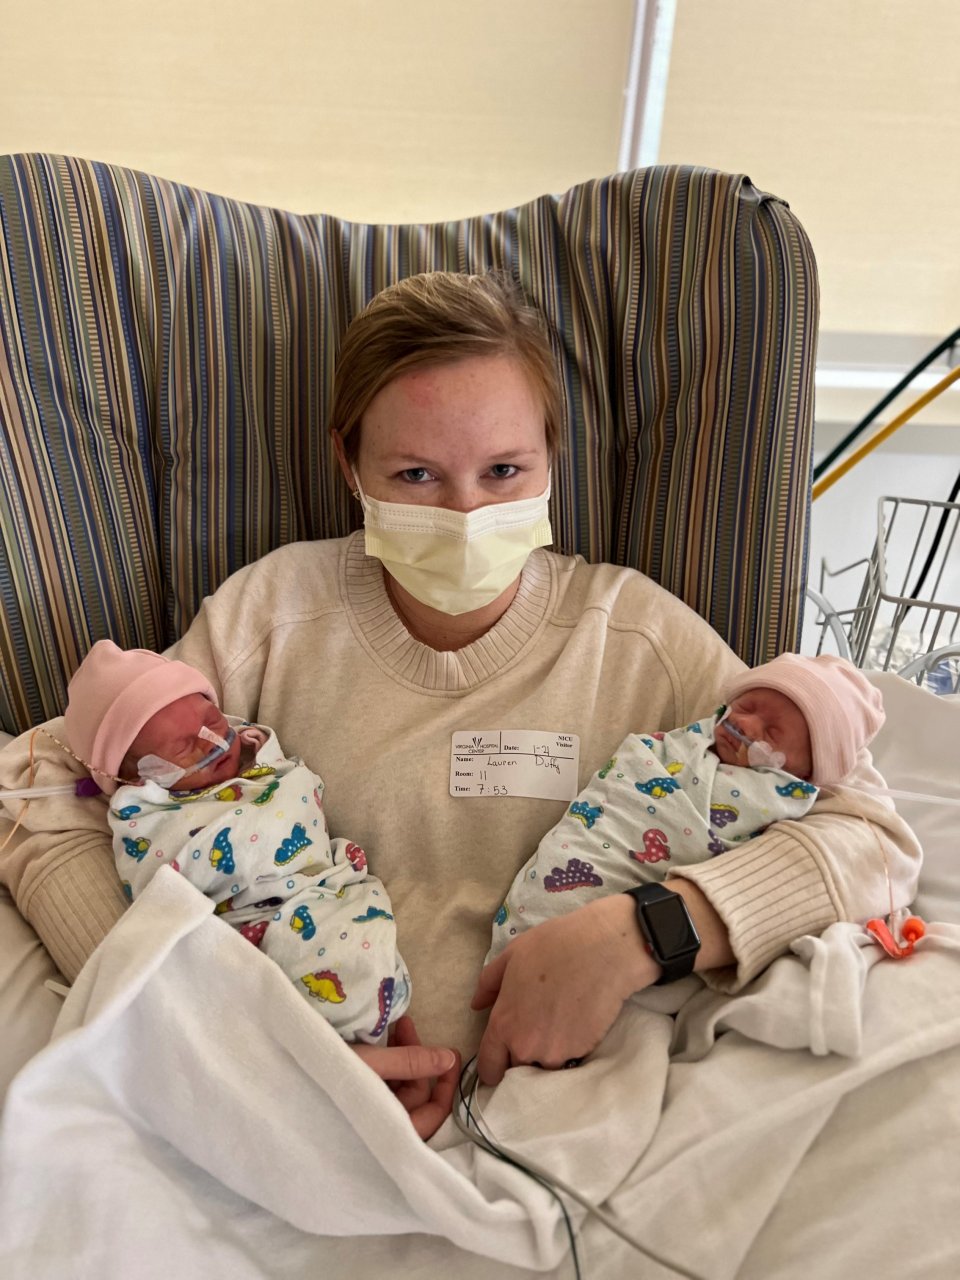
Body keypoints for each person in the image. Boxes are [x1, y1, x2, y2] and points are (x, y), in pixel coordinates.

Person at [0, 270, 921, 1138]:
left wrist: (648, 933)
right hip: (286, 1105)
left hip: (587, 1113)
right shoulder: (268, 619)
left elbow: (870, 836)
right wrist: (207, 1021)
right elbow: (42, 798)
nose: (467, 513)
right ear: (348, 463)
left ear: (552, 459)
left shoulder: (632, 634)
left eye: (505, 472)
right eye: (415, 477)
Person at [62, 639, 411, 1044]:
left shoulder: (253, 749)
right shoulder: (148, 820)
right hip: (254, 925)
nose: (215, 741)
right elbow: (163, 897)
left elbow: (291, 785)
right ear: (141, 779)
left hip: (325, 890)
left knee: (358, 954)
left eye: (213, 719)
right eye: (186, 747)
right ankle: (325, 1045)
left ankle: (359, 1018)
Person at [487, 653, 885, 960]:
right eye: (746, 707)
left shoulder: (782, 799)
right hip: (572, 867)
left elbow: (862, 848)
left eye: (773, 733)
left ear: (805, 771)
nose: (746, 726)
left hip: (617, 927)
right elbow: (628, 782)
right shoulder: (685, 744)